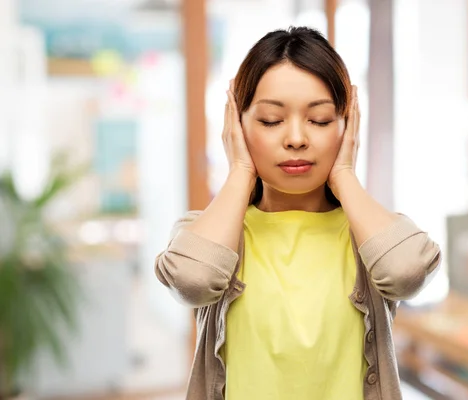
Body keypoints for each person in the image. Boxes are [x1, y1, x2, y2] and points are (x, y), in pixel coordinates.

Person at [155, 26, 441, 400]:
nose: (295, 138)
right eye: (271, 120)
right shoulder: (208, 233)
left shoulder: (371, 236)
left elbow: (407, 273)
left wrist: (344, 175)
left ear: (347, 125)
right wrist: (240, 171)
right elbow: (192, 279)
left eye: (320, 120)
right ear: (237, 126)